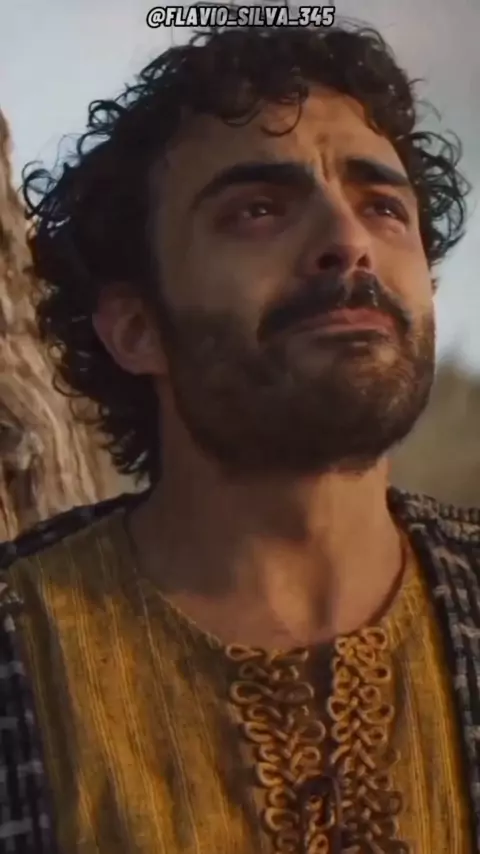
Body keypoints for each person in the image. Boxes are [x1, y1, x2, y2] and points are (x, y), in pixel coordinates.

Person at [1, 16, 477, 854]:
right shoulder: (21, 647)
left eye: (383, 208)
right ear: (138, 329)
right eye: (258, 211)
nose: (348, 244)